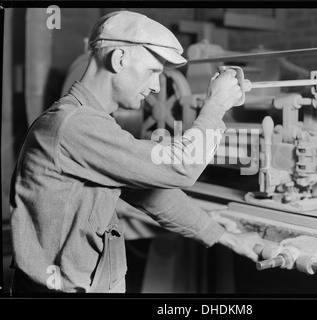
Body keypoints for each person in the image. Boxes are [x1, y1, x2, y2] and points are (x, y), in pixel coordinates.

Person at [9, 10, 265, 294]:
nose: (157, 86)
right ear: (119, 59)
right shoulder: (74, 125)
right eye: (153, 71)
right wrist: (216, 105)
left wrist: (225, 236)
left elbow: (153, 193)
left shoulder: (92, 124)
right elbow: (180, 167)